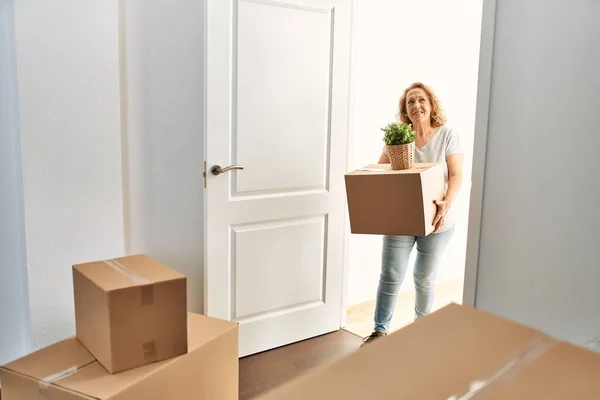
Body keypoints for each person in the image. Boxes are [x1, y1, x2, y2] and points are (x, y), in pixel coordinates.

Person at [362, 82, 464, 346]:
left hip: (437, 220)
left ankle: (422, 329)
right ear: (405, 110)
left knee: (424, 277)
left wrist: (447, 202)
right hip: (402, 217)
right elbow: (381, 172)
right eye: (410, 102)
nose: (416, 106)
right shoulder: (400, 135)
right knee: (391, 274)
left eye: (421, 100)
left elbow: (456, 174)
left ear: (431, 105)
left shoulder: (447, 134)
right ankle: (379, 331)